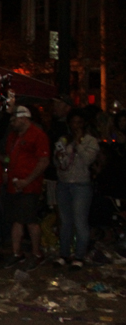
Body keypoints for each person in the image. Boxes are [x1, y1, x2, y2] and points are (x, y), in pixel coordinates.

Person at [4, 104, 50, 271]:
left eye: (14, 119)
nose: (12, 123)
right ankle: (17, 253)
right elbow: (10, 157)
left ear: (24, 118)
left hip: (29, 186)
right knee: (17, 219)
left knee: (30, 220)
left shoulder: (38, 135)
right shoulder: (13, 136)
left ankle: (36, 253)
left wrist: (27, 180)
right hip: (14, 184)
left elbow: (43, 161)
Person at [52, 109, 99, 270]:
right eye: (73, 122)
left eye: (79, 123)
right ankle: (64, 254)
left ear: (84, 124)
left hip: (81, 185)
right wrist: (59, 157)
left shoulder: (91, 141)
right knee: (65, 222)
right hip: (64, 184)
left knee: (80, 221)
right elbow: (59, 164)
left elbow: (87, 160)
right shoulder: (64, 140)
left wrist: (78, 143)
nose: (75, 126)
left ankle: (79, 256)